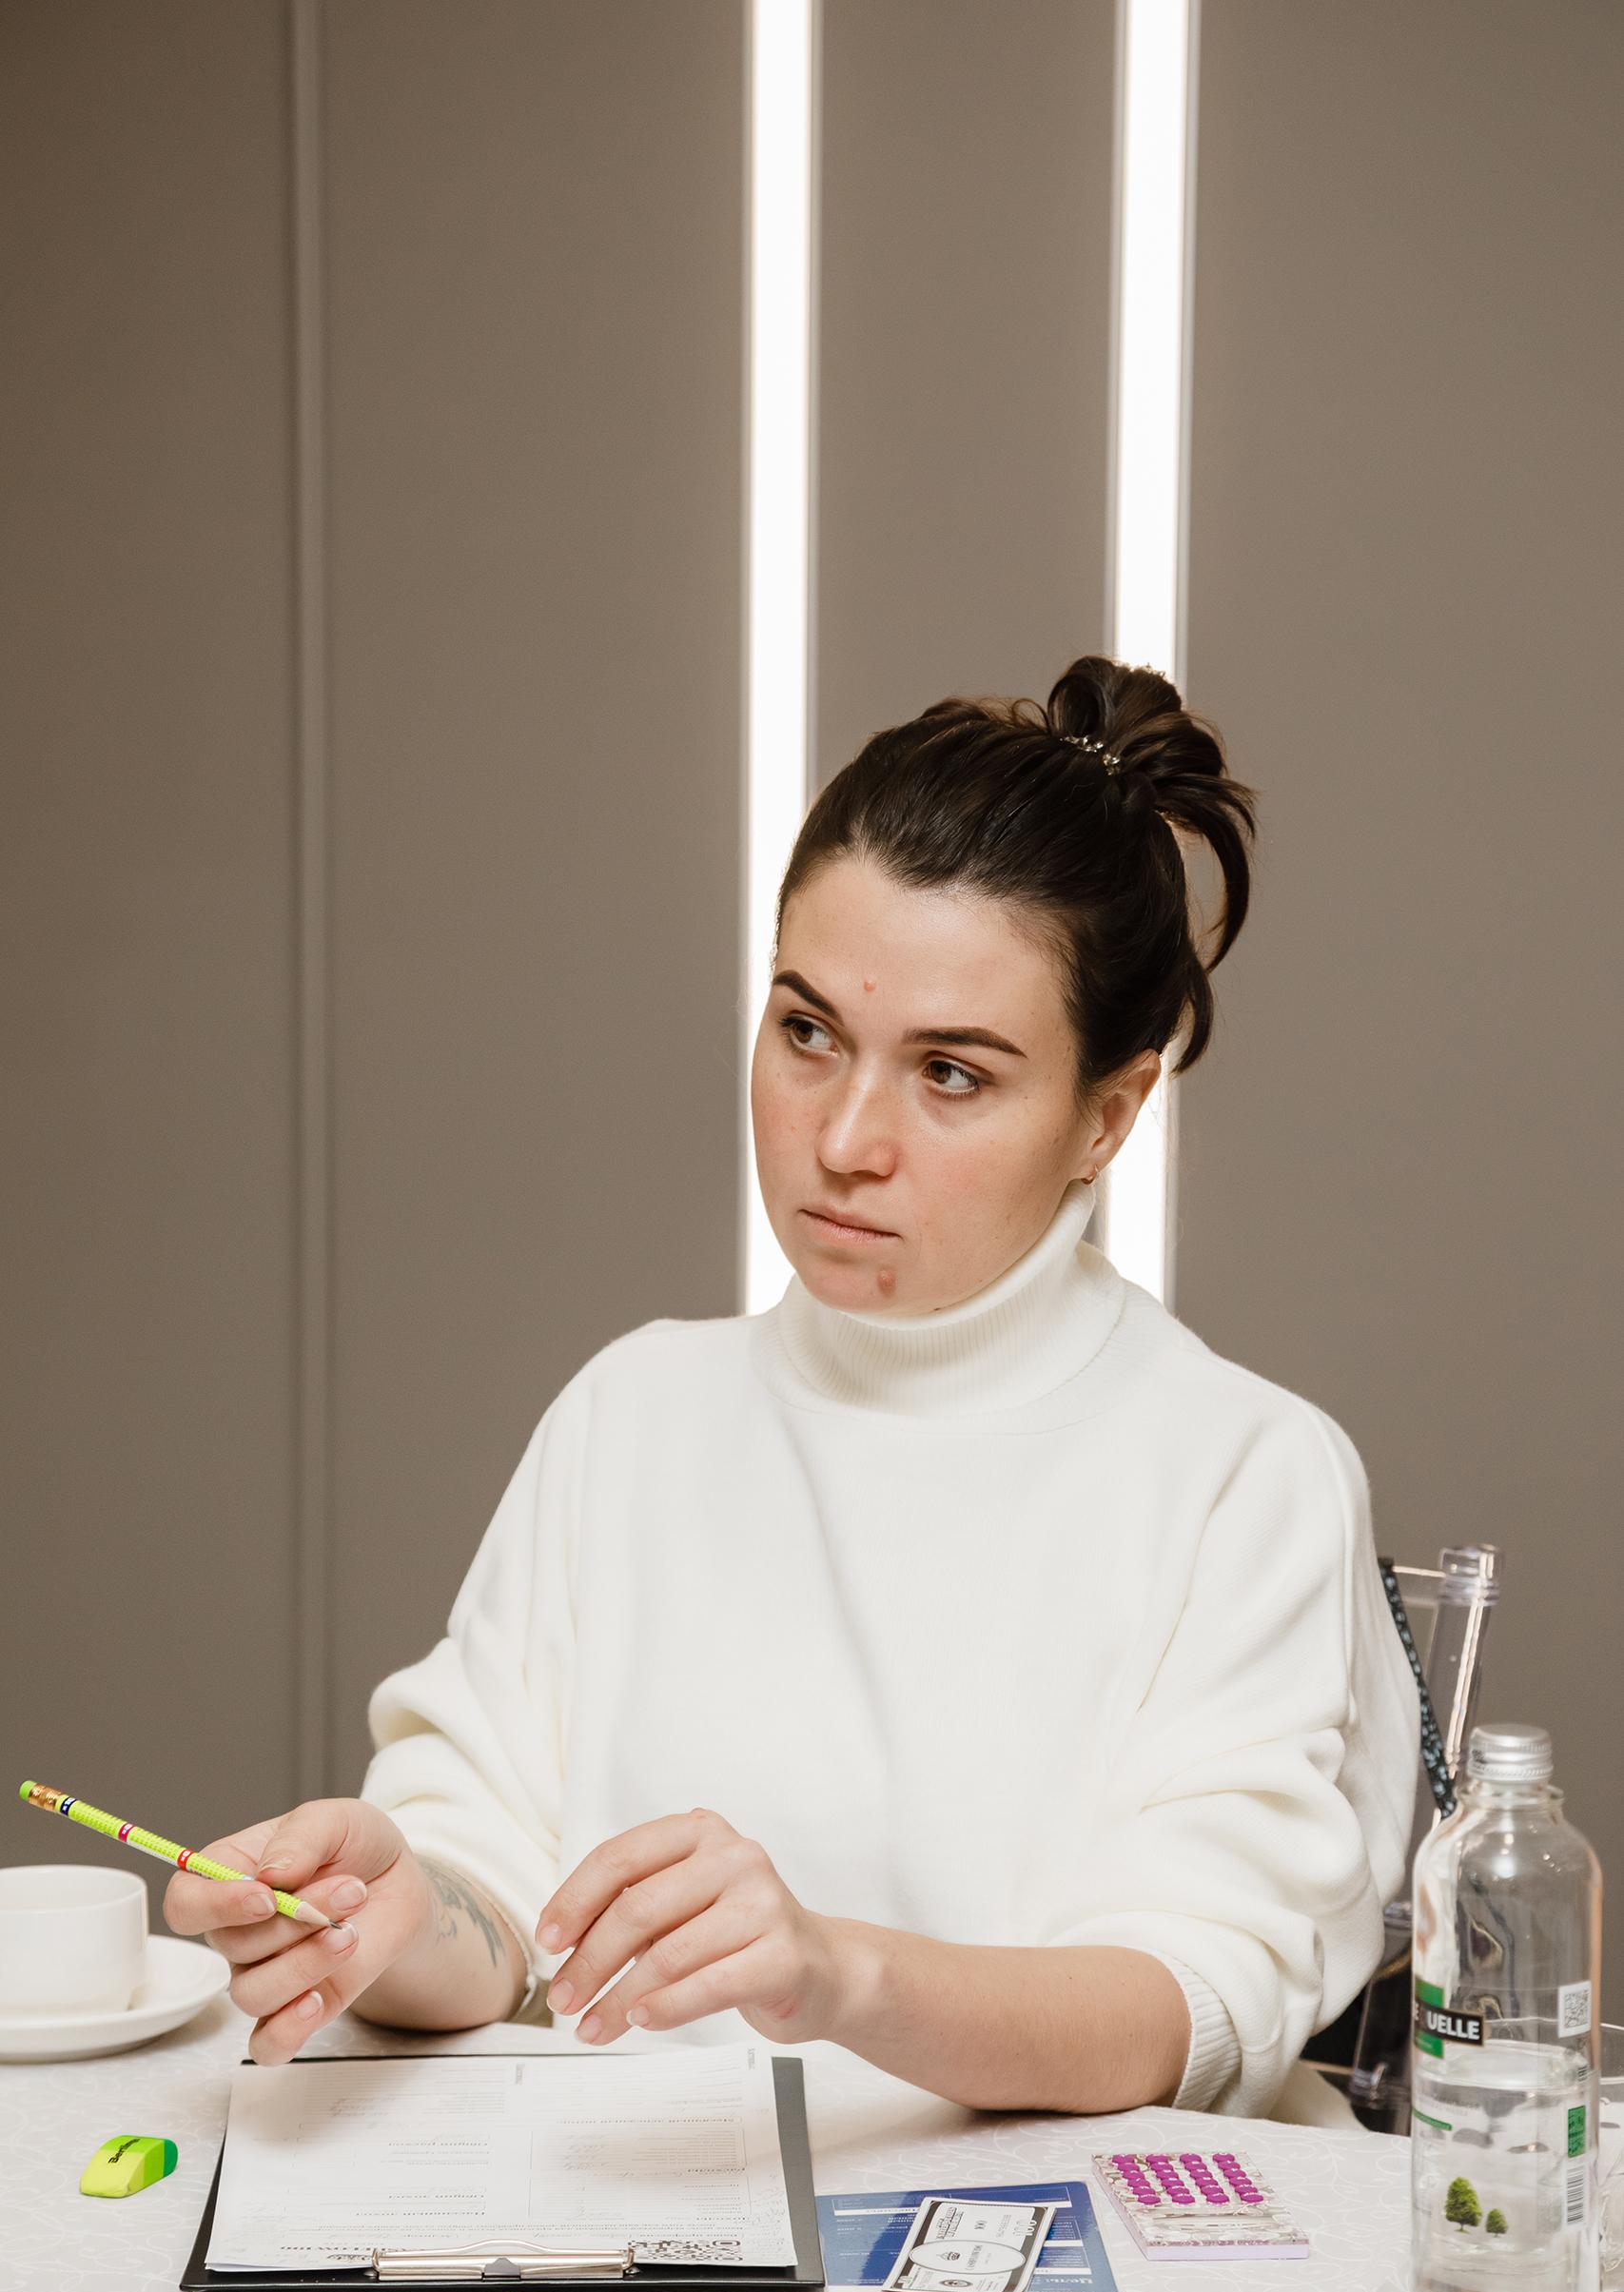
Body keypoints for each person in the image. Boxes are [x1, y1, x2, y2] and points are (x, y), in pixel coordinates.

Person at [167, 655, 1419, 2118]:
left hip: (1040, 2250)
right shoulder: (634, 1412)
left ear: (1110, 1114)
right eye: (808, 1033)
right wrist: (394, 1917)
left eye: (951, 1074)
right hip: (639, 2229)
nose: (843, 1142)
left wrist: (838, 1977)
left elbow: (1193, 2010)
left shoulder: (1242, 1473)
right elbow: (497, 1922)